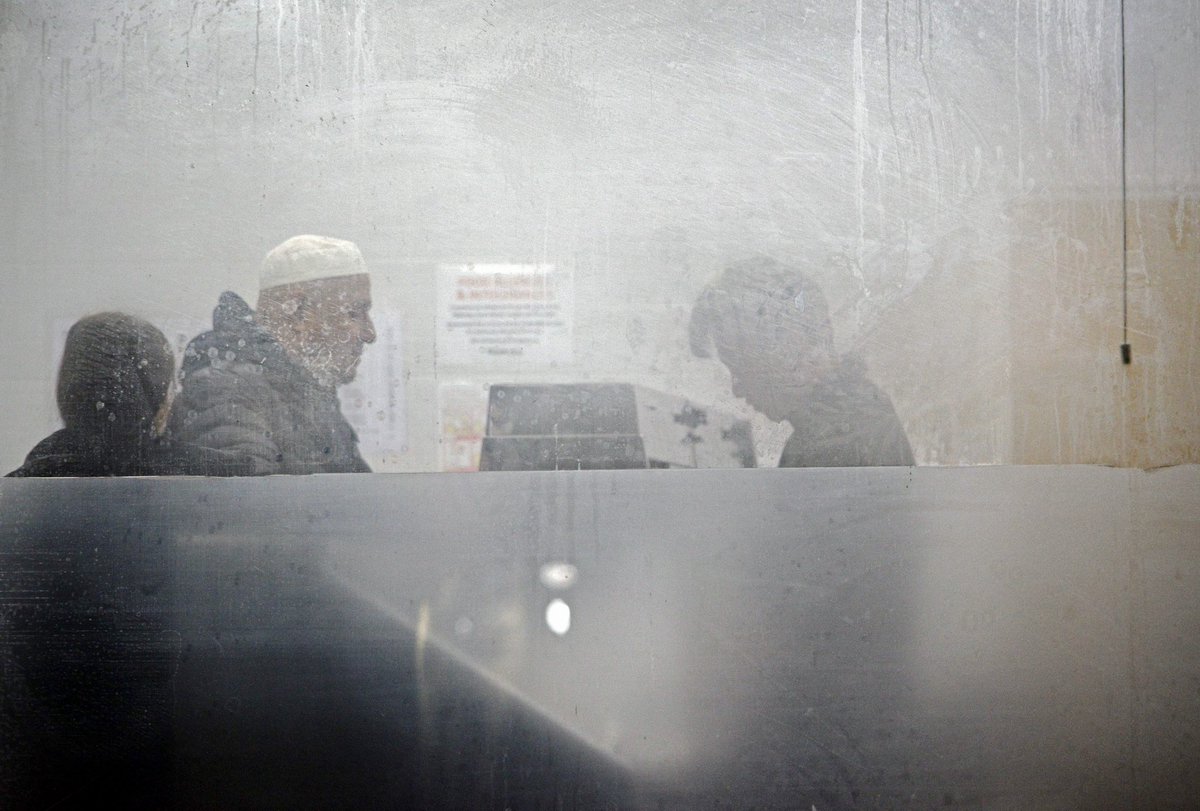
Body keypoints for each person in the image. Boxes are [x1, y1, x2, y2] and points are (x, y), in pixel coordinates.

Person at [169, 235, 377, 475]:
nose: (370, 334)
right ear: (296, 310)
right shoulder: (230, 390)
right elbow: (247, 505)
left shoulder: (304, 390)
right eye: (353, 313)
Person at [689, 256, 914, 467]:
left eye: (741, 367)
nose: (736, 388)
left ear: (788, 346)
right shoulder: (854, 417)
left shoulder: (831, 444)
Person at [7, 312, 233, 477]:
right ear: (159, 399)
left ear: (68, 390)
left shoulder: (23, 489)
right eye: (168, 384)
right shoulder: (210, 478)